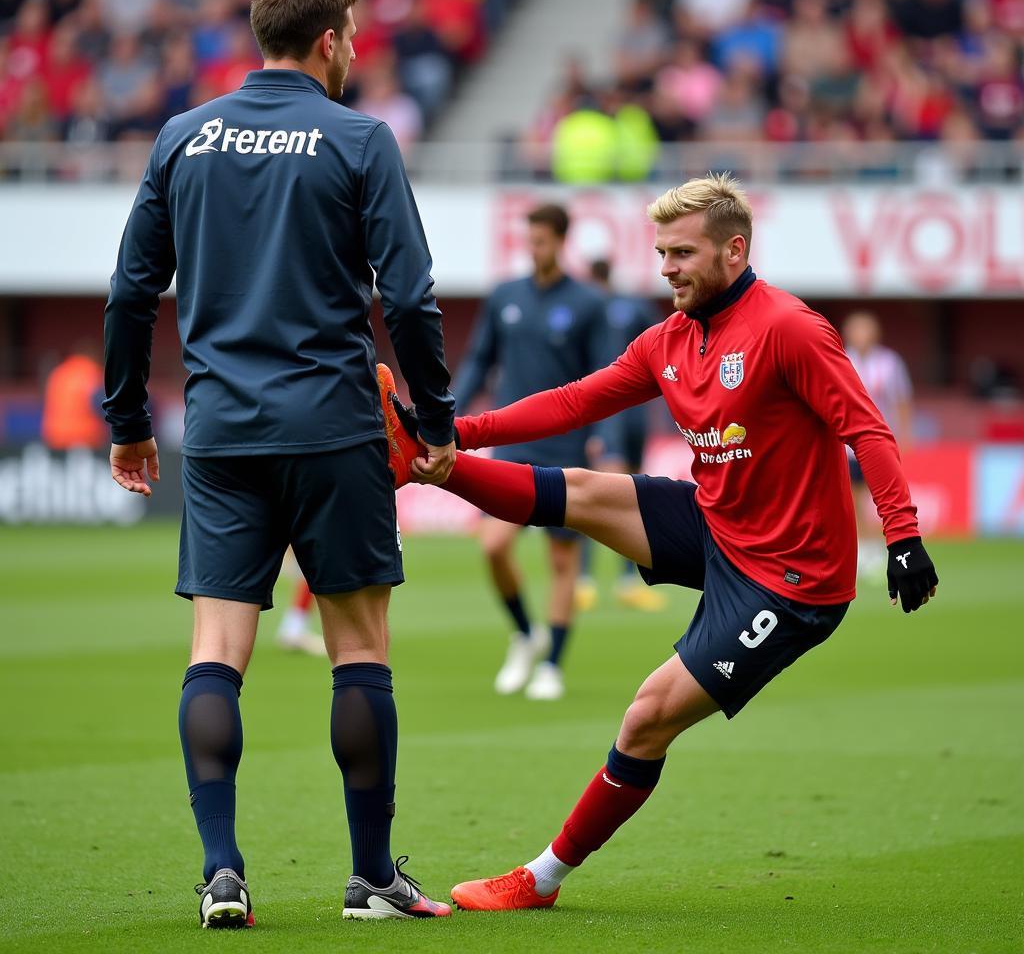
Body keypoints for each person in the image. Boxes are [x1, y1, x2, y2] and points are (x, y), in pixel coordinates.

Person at [380, 173, 938, 910]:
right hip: (717, 523)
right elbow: (575, 401)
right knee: (578, 491)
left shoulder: (791, 329)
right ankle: (421, 468)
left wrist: (902, 536)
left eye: (682, 252)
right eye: (661, 252)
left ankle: (541, 879)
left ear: (734, 251)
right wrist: (452, 433)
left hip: (792, 580)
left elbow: (866, 427)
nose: (666, 267)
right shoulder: (669, 338)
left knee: (645, 717)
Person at [103, 0, 456, 928]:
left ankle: (223, 873)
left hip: (220, 435)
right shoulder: (357, 136)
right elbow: (411, 297)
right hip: (335, 427)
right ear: (333, 40)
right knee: (359, 650)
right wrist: (435, 420)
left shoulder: (185, 136)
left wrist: (129, 422)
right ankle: (372, 877)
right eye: (352, 36)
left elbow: (132, 294)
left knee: (217, 651)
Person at [453, 203, 607, 701]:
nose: (533, 248)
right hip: (513, 448)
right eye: (530, 239)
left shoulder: (588, 303)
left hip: (565, 450)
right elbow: (479, 360)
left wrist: (605, 436)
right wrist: (446, 414)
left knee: (563, 563)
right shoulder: (505, 296)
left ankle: (553, 666)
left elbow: (607, 378)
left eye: (541, 240)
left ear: (561, 241)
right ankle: (525, 633)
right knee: (493, 546)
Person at [575, 258, 666, 614]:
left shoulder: (633, 307)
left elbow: (661, 347)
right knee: (599, 489)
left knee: (631, 488)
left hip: (633, 413)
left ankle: (628, 579)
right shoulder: (583, 309)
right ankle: (584, 579)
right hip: (598, 410)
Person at [841, 311, 914, 579]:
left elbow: (902, 400)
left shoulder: (889, 363)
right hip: (848, 443)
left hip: (879, 441)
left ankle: (887, 544)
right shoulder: (841, 357)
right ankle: (863, 548)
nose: (860, 336)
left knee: (882, 496)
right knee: (852, 496)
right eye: (856, 330)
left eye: (865, 330)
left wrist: (905, 435)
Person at [40, 340, 107, 450]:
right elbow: (103, 405)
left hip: (55, 437)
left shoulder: (58, 372)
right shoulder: (92, 372)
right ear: (92, 355)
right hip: (86, 439)